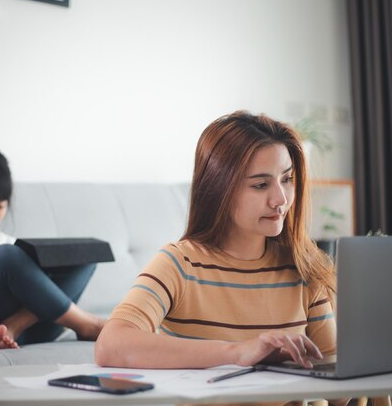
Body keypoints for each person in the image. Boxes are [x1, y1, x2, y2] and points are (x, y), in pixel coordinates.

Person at [95, 111, 346, 406]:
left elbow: (340, 392)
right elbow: (110, 346)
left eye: (287, 179)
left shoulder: (303, 266)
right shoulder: (180, 264)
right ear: (219, 189)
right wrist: (237, 353)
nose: (280, 199)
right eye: (260, 185)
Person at [0, 150, 105, 349]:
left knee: (86, 254)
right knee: (5, 255)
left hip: (38, 327)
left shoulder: (12, 243)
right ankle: (87, 325)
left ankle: (15, 325)